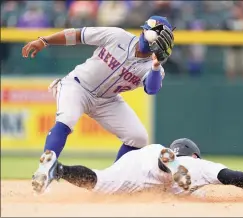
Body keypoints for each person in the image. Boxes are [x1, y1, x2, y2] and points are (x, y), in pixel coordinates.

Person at [21, 16, 175, 193]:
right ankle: (45, 168)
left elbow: (152, 89)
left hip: (107, 100)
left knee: (138, 137)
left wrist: (155, 65)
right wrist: (44, 41)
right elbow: (78, 35)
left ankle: (112, 181)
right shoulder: (117, 36)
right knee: (67, 119)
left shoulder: (154, 68)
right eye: (146, 31)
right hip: (78, 86)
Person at [33, 138, 243, 199]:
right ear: (195, 154)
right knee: (165, 172)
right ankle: (167, 164)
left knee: (98, 181)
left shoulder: (157, 152)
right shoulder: (197, 164)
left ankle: (60, 170)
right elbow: (235, 176)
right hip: (161, 165)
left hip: (137, 159)